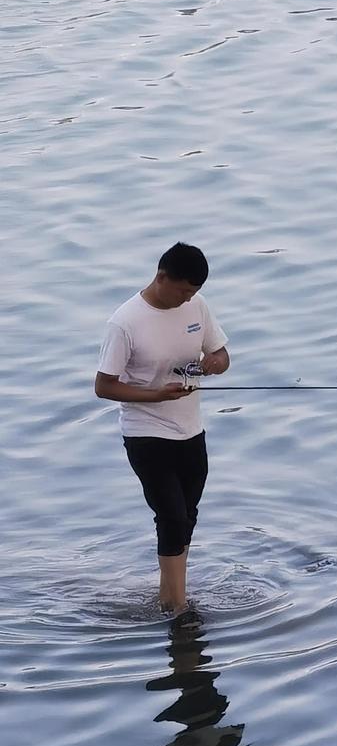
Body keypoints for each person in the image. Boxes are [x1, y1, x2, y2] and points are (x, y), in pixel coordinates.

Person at [95, 242, 229, 614]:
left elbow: (221, 353)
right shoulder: (124, 323)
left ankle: (169, 591)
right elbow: (104, 386)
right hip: (146, 433)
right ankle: (176, 603)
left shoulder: (197, 307)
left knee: (187, 514)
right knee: (170, 515)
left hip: (190, 431)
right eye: (183, 290)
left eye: (195, 292)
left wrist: (213, 365)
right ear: (162, 277)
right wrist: (156, 396)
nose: (188, 298)